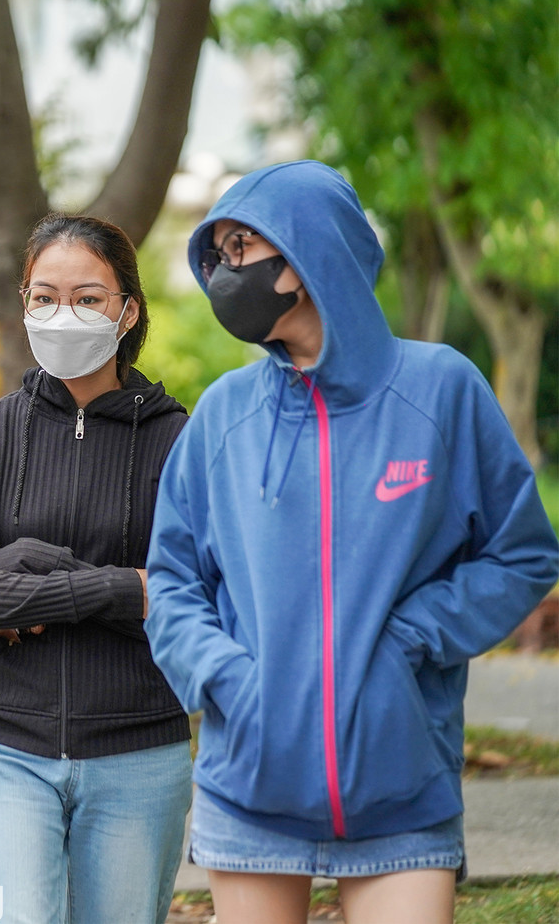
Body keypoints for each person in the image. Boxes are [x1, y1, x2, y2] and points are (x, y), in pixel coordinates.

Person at [146, 160, 559, 924]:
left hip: (401, 791)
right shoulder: (223, 414)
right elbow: (171, 578)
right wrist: (225, 678)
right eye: (218, 253)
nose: (221, 270)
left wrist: (412, 637)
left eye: (240, 247)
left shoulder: (441, 390)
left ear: (305, 259)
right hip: (250, 791)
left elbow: (524, 553)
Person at [0, 214, 194, 924]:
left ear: (128, 311)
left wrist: (27, 572)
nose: (64, 314)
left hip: (139, 748)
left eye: (88, 297)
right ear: (23, 304)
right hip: (4, 746)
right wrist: (122, 586)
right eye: (44, 297)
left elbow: (190, 596)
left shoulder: (182, 441)